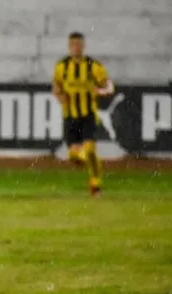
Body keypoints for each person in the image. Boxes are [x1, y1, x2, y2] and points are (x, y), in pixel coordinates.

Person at [52, 32, 113, 197]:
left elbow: (109, 87)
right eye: (73, 44)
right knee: (74, 156)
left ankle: (95, 185)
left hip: (88, 116)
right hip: (70, 116)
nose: (76, 47)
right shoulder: (61, 67)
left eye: (78, 44)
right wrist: (60, 97)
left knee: (90, 150)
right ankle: (95, 168)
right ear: (69, 46)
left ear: (83, 46)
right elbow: (56, 89)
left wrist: (100, 90)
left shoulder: (93, 66)